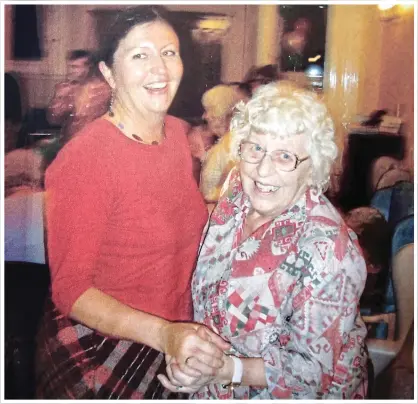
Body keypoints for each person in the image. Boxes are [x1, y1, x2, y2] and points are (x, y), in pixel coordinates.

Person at [35, 6, 229, 399]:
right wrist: (164, 334)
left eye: (169, 52)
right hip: (107, 343)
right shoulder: (85, 160)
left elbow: (169, 219)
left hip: (178, 330)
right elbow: (71, 292)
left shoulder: (177, 135)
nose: (159, 68)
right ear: (109, 73)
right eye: (139, 55)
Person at [158, 81, 369, 399]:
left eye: (285, 156)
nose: (262, 170)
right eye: (255, 148)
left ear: (313, 165)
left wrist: (224, 371)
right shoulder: (235, 194)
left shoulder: (331, 252)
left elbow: (308, 376)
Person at [47, 49, 111, 144]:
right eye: (69, 67)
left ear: (88, 67)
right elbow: (53, 120)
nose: (70, 71)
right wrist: (60, 97)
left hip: (94, 143)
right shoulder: (65, 88)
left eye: (75, 67)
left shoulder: (102, 90)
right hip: (68, 143)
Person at [197, 84, 247, 205]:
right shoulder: (229, 142)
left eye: (208, 110)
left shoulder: (229, 146)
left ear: (220, 113)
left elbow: (210, 192)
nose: (205, 116)